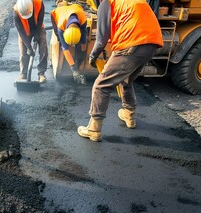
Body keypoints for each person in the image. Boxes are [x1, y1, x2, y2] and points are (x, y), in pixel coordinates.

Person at [78, 0, 163, 142]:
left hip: (132, 43)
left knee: (101, 85)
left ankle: (94, 129)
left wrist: (92, 57)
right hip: (151, 44)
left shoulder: (107, 3)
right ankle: (129, 115)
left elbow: (101, 39)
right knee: (126, 79)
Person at [50, 2, 88, 84]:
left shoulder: (83, 20)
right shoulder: (60, 26)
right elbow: (65, 49)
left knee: (81, 43)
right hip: (59, 14)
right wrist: (73, 69)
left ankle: (78, 61)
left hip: (76, 8)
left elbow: (83, 40)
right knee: (59, 40)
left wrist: (82, 55)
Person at [14, 0, 48, 83]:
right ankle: (23, 74)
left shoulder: (39, 3)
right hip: (24, 32)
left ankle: (41, 73)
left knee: (43, 49)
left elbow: (40, 19)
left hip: (38, 27)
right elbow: (20, 31)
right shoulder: (16, 11)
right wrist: (29, 47)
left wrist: (37, 33)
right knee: (23, 52)